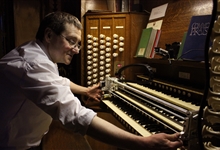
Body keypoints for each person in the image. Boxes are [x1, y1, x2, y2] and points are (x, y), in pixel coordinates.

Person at [0, 11, 183, 150]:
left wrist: (85, 90)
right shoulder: (33, 63)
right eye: (71, 41)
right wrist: (142, 143)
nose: (77, 50)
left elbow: (59, 81)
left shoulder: (40, 55)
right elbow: (75, 114)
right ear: (49, 35)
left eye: (78, 43)